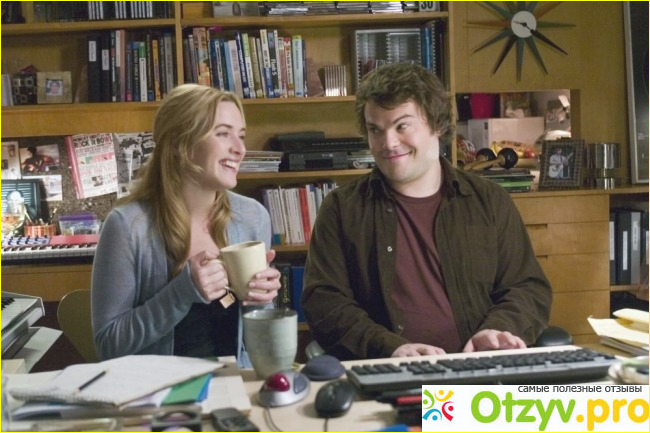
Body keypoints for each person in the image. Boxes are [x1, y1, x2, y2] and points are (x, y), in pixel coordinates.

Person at [301, 63, 552, 360]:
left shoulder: (489, 200)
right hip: (389, 371)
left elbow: (527, 287)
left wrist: (497, 331)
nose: (388, 143)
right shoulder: (342, 209)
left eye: (402, 126)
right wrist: (389, 346)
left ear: (437, 125)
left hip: (479, 369)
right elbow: (324, 303)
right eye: (375, 130)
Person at [92, 84, 281, 366]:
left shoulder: (253, 217)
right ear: (180, 144)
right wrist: (181, 293)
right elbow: (108, 345)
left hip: (236, 383)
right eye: (223, 133)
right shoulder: (127, 227)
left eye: (241, 136)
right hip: (159, 389)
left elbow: (261, 346)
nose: (240, 149)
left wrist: (262, 301)